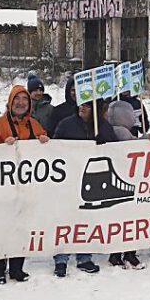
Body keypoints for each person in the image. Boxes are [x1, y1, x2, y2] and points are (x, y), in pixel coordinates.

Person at [0, 84, 50, 283]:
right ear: (10, 102)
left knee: (22, 226)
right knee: (2, 226)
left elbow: (48, 147)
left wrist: (45, 141)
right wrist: (1, 147)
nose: (21, 103)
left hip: (26, 186)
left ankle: (17, 268)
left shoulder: (34, 124)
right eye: (17, 99)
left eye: (24, 100)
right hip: (3, 186)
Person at [51, 99, 108, 277]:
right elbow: (54, 147)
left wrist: (103, 143)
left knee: (87, 218)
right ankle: (61, 259)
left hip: (91, 181)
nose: (82, 107)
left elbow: (116, 149)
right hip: (68, 179)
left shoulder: (103, 126)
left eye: (87, 105)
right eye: (81, 104)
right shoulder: (66, 124)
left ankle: (84, 257)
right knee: (65, 219)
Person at [105, 100, 148, 270]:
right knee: (129, 218)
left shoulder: (115, 130)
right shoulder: (121, 132)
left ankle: (117, 255)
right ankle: (128, 254)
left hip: (120, 181)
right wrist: (144, 139)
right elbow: (133, 145)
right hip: (126, 181)